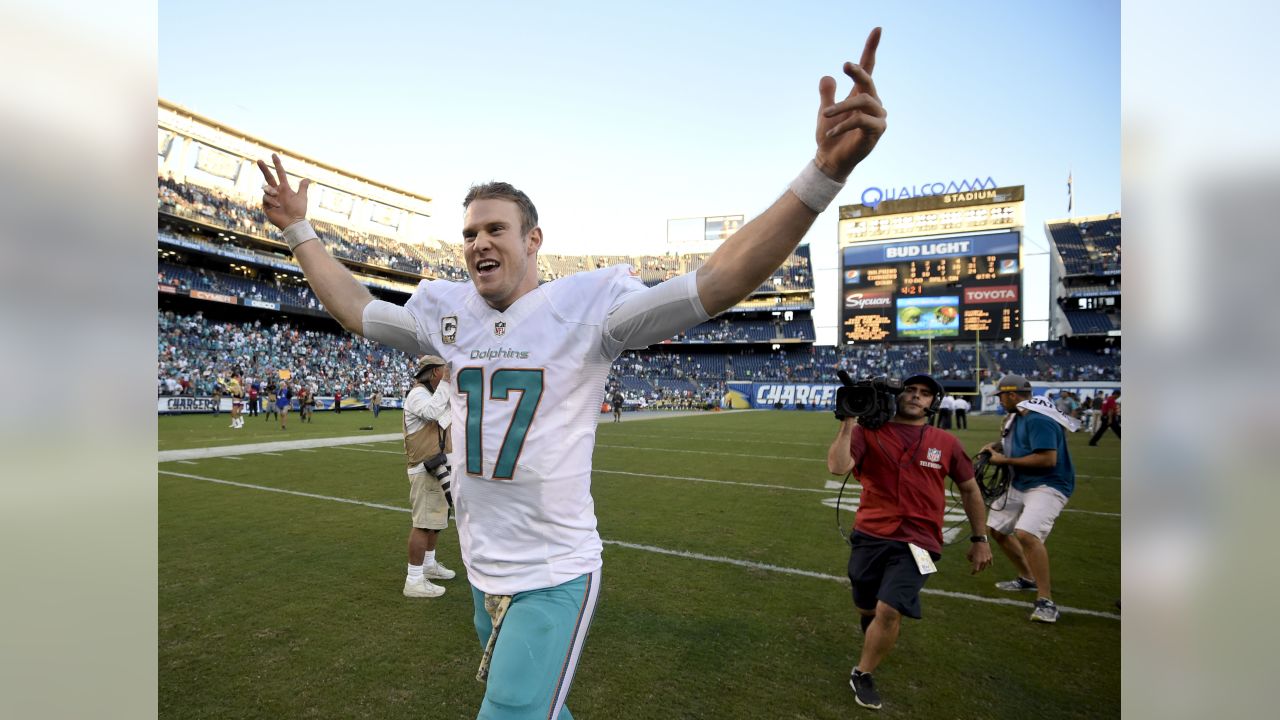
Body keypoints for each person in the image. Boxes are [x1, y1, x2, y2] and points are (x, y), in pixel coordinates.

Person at [258, 27, 887, 719]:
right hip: (482, 562)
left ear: (533, 241)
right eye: (469, 232)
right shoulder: (444, 310)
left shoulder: (585, 310)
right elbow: (357, 309)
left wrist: (822, 175)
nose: (479, 243)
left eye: (496, 229)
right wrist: (297, 231)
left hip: (552, 570)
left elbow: (716, 282)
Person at [826, 374, 993, 710]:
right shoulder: (868, 433)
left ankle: (863, 672)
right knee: (866, 606)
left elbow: (971, 489)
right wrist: (848, 420)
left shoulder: (946, 442)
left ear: (933, 403)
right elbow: (837, 466)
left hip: (922, 543)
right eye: (911, 391)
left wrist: (981, 538)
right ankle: (875, 632)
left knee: (890, 608)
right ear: (897, 396)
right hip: (871, 535)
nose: (917, 397)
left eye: (925, 393)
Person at [981, 374, 1077, 624]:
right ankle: (1027, 578)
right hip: (1021, 481)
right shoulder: (1017, 415)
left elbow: (1047, 459)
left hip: (1048, 484)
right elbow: (1010, 442)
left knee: (1026, 534)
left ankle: (1046, 601)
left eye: (1001, 396)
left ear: (1012, 395)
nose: (999, 401)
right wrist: (995, 447)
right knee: (997, 530)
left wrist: (1004, 461)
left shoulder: (1038, 419)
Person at [402, 355, 458, 598]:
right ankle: (414, 579)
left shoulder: (431, 394)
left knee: (436, 522)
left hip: (439, 466)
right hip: (425, 468)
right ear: (436, 372)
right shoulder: (418, 394)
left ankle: (429, 565)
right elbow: (434, 412)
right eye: (444, 371)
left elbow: (448, 418)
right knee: (423, 524)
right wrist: (447, 383)